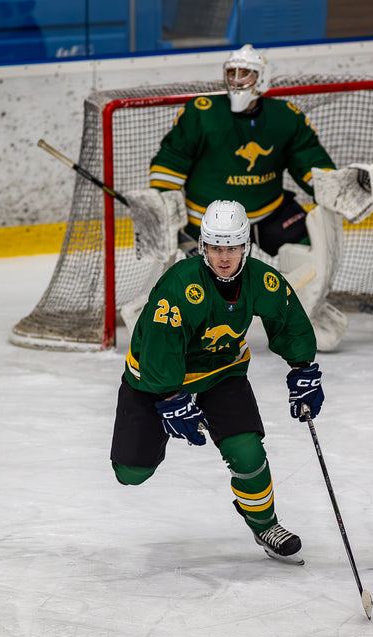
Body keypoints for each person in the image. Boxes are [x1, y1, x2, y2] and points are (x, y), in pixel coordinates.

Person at [122, 44, 373, 352]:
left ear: (262, 78)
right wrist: (162, 201)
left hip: (269, 211)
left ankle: (304, 317)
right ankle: (164, 324)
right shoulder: (201, 112)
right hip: (208, 220)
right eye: (231, 72)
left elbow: (308, 161)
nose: (236, 80)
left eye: (244, 73)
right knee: (182, 274)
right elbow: (172, 158)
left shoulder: (285, 116)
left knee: (316, 245)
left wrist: (334, 186)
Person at [110, 200, 324, 564]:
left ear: (246, 247)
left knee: (248, 453)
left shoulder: (262, 279)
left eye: (233, 247)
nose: (225, 257)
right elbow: (159, 350)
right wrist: (170, 397)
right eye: (216, 247)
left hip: (221, 373)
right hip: (154, 379)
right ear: (203, 247)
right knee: (130, 472)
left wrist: (302, 368)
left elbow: (287, 318)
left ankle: (264, 523)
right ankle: (148, 441)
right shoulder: (179, 286)